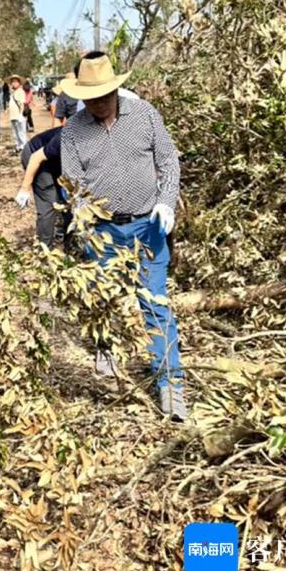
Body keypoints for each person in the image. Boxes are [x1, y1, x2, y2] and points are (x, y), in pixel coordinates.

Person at [60, 52, 187, 420]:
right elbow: (73, 182)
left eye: (103, 95)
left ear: (115, 89)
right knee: (103, 298)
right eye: (90, 97)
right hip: (102, 231)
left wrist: (166, 202)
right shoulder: (73, 131)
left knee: (155, 303)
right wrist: (81, 210)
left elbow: (169, 162)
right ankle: (106, 349)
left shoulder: (145, 115)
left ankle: (169, 385)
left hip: (149, 226)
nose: (97, 103)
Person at [14, 127, 68, 247]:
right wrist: (25, 188)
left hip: (57, 162)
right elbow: (36, 158)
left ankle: (71, 244)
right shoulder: (68, 136)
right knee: (49, 201)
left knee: (69, 200)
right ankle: (44, 249)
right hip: (36, 156)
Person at [8, 75, 27, 154]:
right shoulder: (14, 92)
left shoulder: (20, 91)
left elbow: (22, 104)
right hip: (13, 115)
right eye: (12, 82)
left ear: (19, 83)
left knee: (21, 132)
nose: (14, 83)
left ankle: (24, 148)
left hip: (18, 116)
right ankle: (18, 146)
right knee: (15, 133)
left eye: (16, 82)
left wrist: (20, 115)